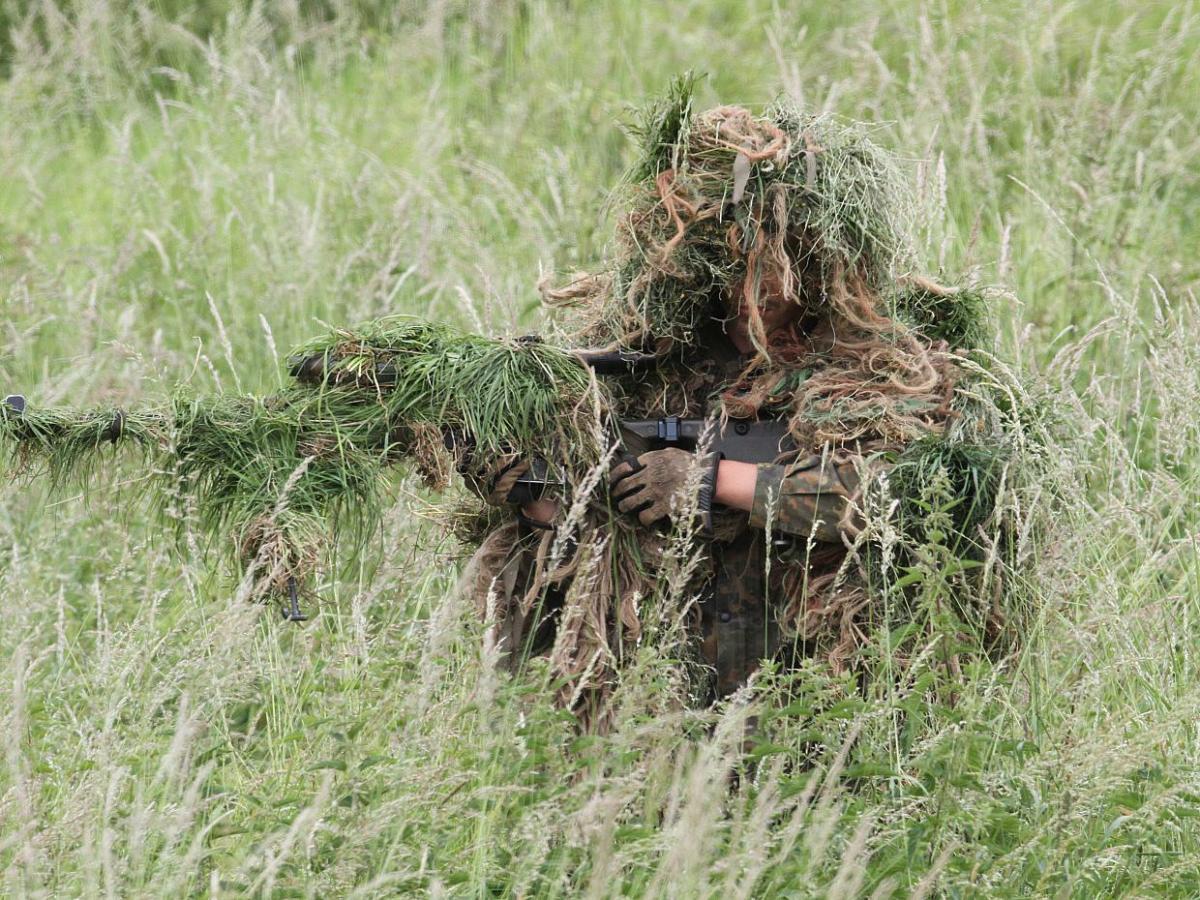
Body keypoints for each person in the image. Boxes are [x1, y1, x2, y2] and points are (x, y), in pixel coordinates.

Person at [459, 98, 975, 724]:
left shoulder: (874, 366)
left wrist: (711, 480)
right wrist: (535, 496)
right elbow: (592, 520)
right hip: (661, 693)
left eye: (784, 254)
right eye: (738, 253)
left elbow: (905, 501)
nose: (762, 278)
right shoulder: (644, 356)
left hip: (810, 698)